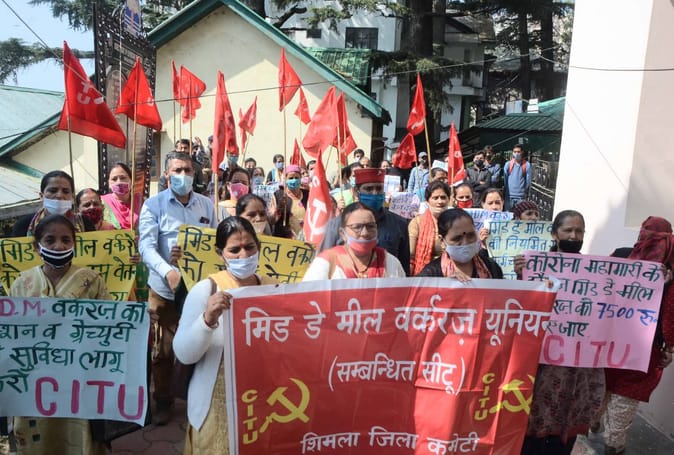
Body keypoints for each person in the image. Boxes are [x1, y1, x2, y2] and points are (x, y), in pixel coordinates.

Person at [174, 217, 278, 454]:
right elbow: (184, 353)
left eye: (249, 247)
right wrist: (207, 320)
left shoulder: (273, 288)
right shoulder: (206, 290)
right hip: (217, 405)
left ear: (259, 246)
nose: (244, 255)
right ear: (220, 253)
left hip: (264, 400)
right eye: (234, 250)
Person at [10, 215, 110, 454]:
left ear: (75, 244)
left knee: (80, 434)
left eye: (66, 240)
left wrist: (138, 321)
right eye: (50, 240)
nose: (58, 246)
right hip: (35, 381)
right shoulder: (21, 284)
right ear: (37, 246)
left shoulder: (92, 281)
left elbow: (110, 326)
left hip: (81, 378)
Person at [138, 151, 218, 425]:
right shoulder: (153, 205)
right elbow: (146, 246)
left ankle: (196, 396)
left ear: (194, 174)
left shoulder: (206, 205)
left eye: (187, 170)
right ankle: (163, 400)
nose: (183, 175)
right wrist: (168, 271)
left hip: (198, 288)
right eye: (177, 170)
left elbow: (215, 243)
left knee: (202, 341)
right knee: (164, 349)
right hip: (164, 289)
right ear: (166, 174)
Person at [517, 210, 604, 455]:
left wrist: (660, 280)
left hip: (578, 366)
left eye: (579, 231)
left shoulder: (598, 271)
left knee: (568, 424)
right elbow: (522, 304)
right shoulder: (535, 266)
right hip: (544, 362)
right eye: (568, 230)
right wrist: (522, 274)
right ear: (555, 234)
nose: (574, 236)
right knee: (534, 422)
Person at [595, 216, 674, 454]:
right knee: (624, 398)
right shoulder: (670, 269)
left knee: (601, 388)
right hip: (644, 350)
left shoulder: (620, 256)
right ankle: (614, 443)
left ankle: (594, 423)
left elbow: (596, 289)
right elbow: (670, 316)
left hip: (606, 342)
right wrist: (668, 347)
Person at [320, 168, 411, 276]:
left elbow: (404, 268)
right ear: (356, 191)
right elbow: (323, 264)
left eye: (379, 188)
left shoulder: (399, 224)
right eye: (368, 189)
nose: (374, 193)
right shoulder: (336, 224)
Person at [303, 202, 406, 279]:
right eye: (357, 227)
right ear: (342, 234)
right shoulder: (325, 264)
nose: (365, 233)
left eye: (370, 226)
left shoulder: (390, 263)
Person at [416, 208, 503, 280]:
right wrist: (445, 287)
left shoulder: (491, 268)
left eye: (471, 235)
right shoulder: (431, 274)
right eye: (457, 238)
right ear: (442, 241)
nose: (465, 243)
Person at [12, 170, 89, 236]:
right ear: (41, 196)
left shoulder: (85, 223)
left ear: (72, 197)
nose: (59, 195)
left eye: (65, 191)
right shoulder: (24, 225)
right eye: (53, 191)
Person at [409, 181, 451, 275]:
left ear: (449, 199)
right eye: (435, 198)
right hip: (425, 274)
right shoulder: (417, 223)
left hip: (452, 274)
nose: (440, 202)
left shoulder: (456, 222)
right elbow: (411, 256)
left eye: (443, 197)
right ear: (427, 201)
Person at [101, 162, 143, 230]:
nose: (119, 182)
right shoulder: (102, 202)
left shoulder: (141, 201)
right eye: (114, 179)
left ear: (131, 180)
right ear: (109, 183)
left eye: (123, 178)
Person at [271, 164, 307, 239]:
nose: (294, 180)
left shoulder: (307, 194)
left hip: (305, 239)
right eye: (291, 178)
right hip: (284, 239)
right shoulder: (278, 195)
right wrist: (279, 208)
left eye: (296, 178)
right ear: (285, 179)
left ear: (300, 178)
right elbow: (271, 220)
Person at [503, 145, 531, 210]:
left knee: (520, 215)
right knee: (508, 215)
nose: (516, 153)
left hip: (521, 197)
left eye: (518, 152)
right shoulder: (508, 164)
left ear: (522, 152)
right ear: (512, 152)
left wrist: (524, 191)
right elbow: (505, 180)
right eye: (515, 152)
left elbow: (528, 181)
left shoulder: (527, 165)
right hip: (509, 196)